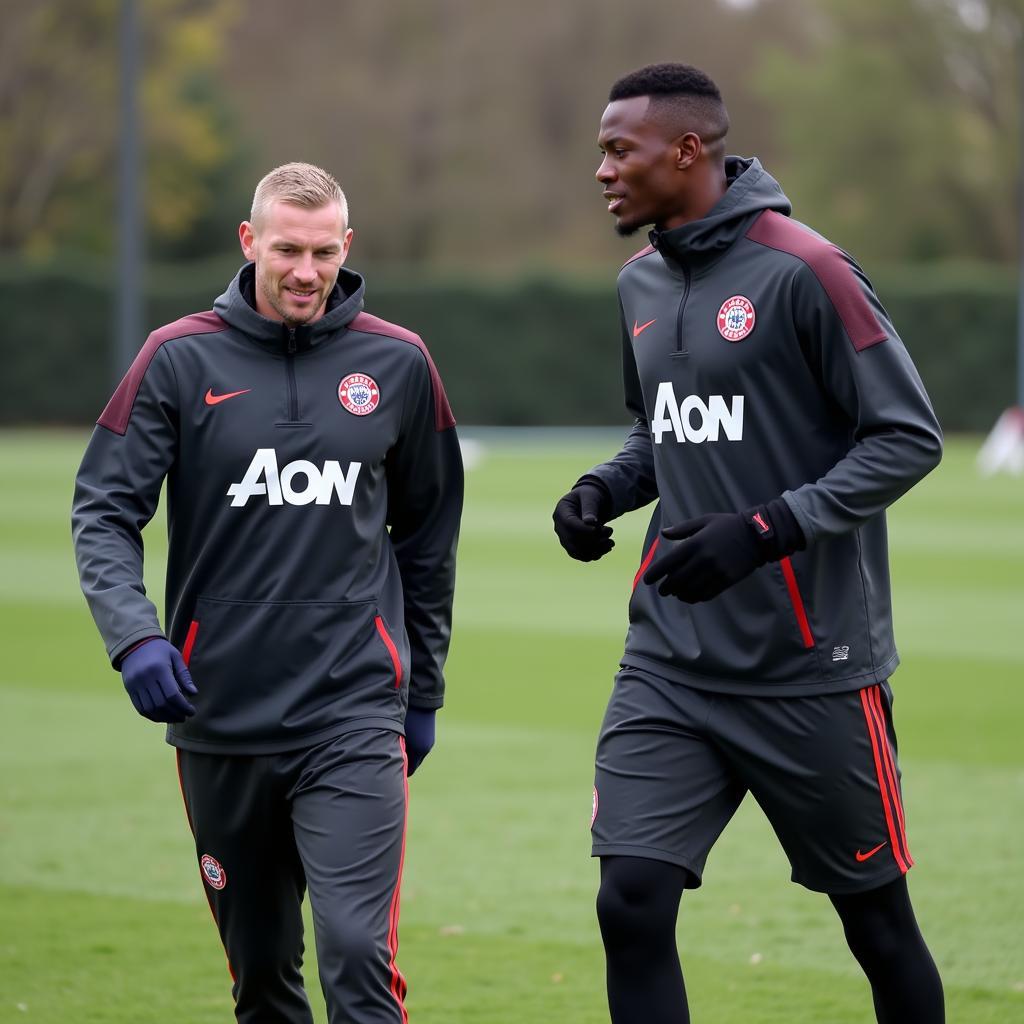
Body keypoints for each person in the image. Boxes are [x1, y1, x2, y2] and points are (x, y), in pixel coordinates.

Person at [552, 64, 945, 1024]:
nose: (602, 169)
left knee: (878, 925)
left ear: (687, 150)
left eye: (619, 150)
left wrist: (769, 529)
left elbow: (906, 437)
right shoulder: (638, 282)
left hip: (811, 667)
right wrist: (604, 488)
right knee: (630, 900)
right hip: (671, 662)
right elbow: (665, 430)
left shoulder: (806, 269)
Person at [72, 162, 463, 1023]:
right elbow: (103, 511)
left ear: (347, 247)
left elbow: (429, 541)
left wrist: (421, 691)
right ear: (250, 241)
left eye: (324, 252)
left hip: (352, 713)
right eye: (287, 248)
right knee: (262, 979)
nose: (305, 271)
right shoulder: (177, 358)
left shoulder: (397, 365)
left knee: (358, 957)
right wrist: (135, 637)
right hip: (221, 715)